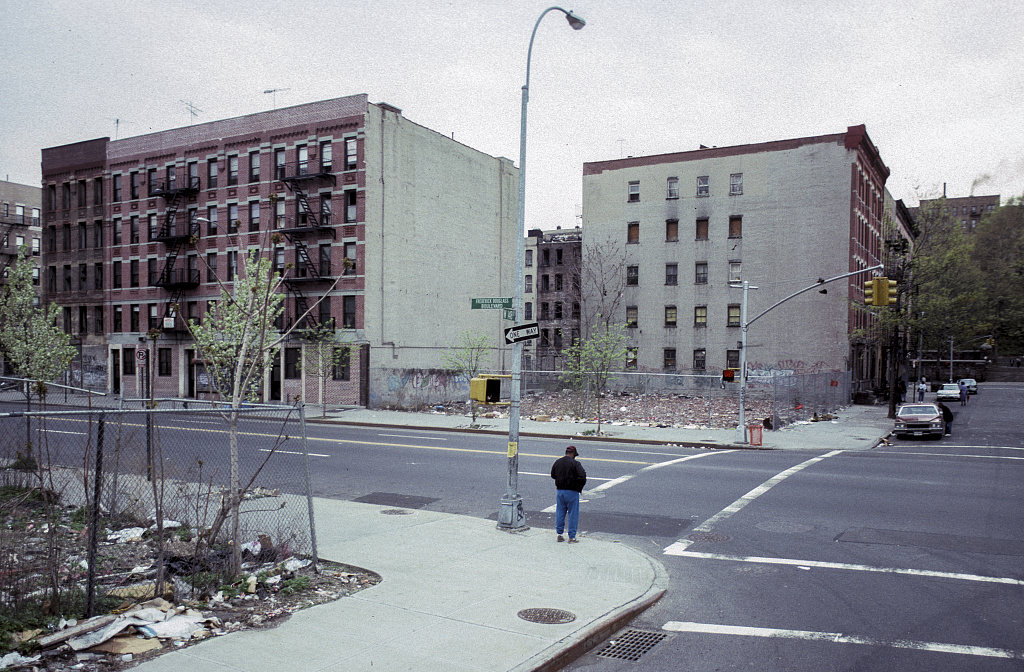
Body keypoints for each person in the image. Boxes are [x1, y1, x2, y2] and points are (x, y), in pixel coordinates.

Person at [550, 445, 587, 543]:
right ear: (573, 454)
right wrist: (579, 487)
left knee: (560, 512)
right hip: (572, 492)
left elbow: (553, 475)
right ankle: (572, 537)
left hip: (560, 491)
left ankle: (559, 534)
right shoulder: (576, 464)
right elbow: (583, 477)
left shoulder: (558, 462)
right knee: (573, 514)